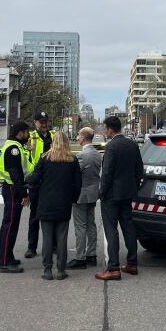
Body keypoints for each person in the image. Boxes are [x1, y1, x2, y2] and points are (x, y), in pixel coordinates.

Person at [95, 116, 144, 281]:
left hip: (111, 195)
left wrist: (102, 192)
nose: (104, 131)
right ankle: (132, 263)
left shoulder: (111, 147)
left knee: (111, 230)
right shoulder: (132, 144)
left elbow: (107, 173)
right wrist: (134, 187)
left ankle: (113, 268)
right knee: (128, 227)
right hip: (127, 193)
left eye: (105, 128)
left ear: (109, 129)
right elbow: (139, 169)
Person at [28, 132, 81, 280]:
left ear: (53, 142)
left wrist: (25, 180)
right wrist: (73, 199)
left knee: (47, 238)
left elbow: (34, 179)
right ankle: (61, 270)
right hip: (64, 203)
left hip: (46, 203)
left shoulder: (45, 159)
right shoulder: (72, 160)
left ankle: (47, 270)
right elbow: (77, 184)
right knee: (62, 237)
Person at [0, 122, 31, 273]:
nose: (27, 135)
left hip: (11, 188)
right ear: (20, 133)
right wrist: (24, 193)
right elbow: (15, 173)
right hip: (12, 189)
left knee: (11, 225)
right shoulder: (13, 148)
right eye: (26, 132)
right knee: (10, 226)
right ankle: (4, 261)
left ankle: (7, 256)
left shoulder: (15, 146)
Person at [67, 127, 102, 270]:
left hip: (81, 194)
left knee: (80, 226)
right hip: (93, 193)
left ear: (84, 137)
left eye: (79, 136)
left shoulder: (82, 155)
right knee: (91, 224)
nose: (77, 138)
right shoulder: (97, 154)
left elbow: (74, 174)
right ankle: (91, 255)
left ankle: (80, 257)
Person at [24, 111, 55, 259]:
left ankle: (54, 246)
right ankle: (32, 247)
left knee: (54, 215)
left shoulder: (54, 136)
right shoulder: (30, 138)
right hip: (36, 181)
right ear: (35, 123)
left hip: (52, 181)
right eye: (41, 122)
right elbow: (24, 159)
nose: (44, 124)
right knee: (35, 216)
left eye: (45, 121)